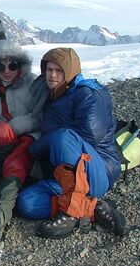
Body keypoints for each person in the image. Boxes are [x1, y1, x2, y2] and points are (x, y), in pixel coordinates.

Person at [16, 48, 127, 238]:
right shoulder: (53, 95)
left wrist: (39, 146)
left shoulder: (89, 94)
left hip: (97, 170)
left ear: (70, 72)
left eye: (59, 71)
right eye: (49, 69)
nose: (52, 75)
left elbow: (89, 135)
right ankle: (91, 207)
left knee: (62, 137)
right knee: (26, 203)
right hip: (65, 178)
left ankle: (70, 213)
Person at [0, 40, 48, 241]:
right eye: (1, 66)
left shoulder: (32, 84)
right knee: (1, 135)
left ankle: (2, 211)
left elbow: (41, 116)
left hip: (28, 139)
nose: (7, 71)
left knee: (18, 159)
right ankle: (7, 181)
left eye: (12, 65)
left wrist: (14, 128)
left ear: (20, 65)